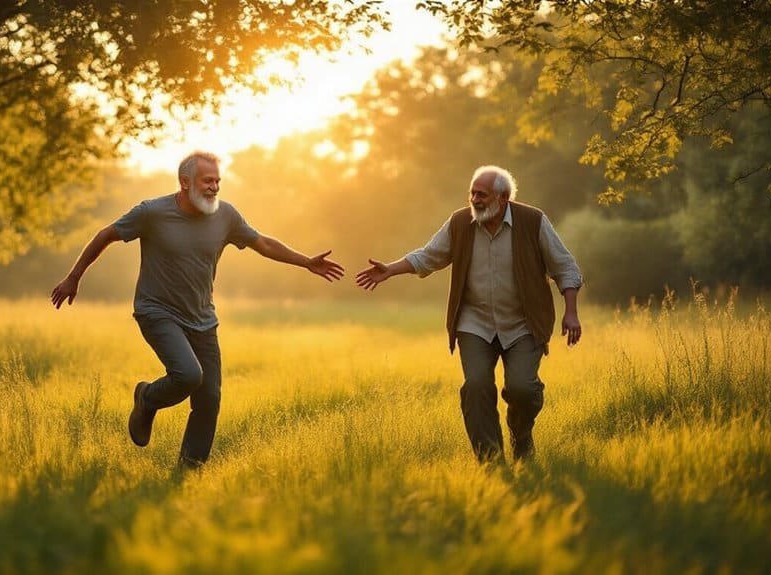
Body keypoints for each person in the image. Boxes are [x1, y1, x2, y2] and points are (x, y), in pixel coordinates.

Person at [51, 151, 344, 468]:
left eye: (218, 181)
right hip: (157, 310)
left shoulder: (226, 216)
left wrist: (306, 262)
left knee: (209, 398)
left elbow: (264, 243)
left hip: (203, 319)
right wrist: (73, 277)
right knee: (189, 375)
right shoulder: (153, 212)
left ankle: (189, 470)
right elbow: (106, 235)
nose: (215, 187)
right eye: (208, 181)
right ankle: (147, 399)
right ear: (185, 182)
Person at [355, 165, 582, 463]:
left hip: (524, 324)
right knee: (476, 386)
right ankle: (491, 462)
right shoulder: (460, 223)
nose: (474, 199)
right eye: (472, 193)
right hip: (474, 323)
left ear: (503, 198)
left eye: (482, 194)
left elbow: (564, 266)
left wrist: (571, 313)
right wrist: (391, 270)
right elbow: (429, 256)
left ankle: (521, 436)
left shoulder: (533, 221)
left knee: (522, 389)